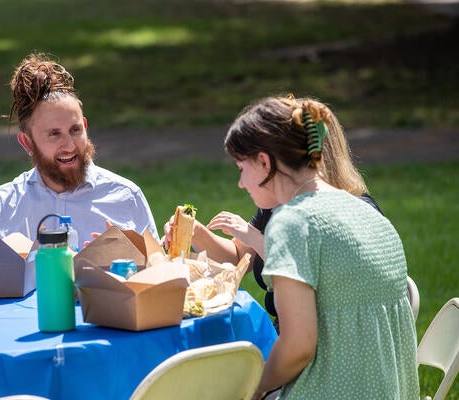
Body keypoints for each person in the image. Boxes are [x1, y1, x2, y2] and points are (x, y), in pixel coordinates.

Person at [219, 96, 418, 399]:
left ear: (264, 162)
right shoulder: (364, 212)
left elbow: (297, 347)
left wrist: (254, 388)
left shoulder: (293, 222)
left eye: (241, 169)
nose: (240, 184)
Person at [0, 52, 158, 282]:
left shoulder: (125, 196)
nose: (69, 145)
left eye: (75, 130)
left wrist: (132, 260)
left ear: (85, 125)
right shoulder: (3, 204)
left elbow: (161, 270)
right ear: (27, 142)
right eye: (54, 134)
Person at [162, 96, 383, 332]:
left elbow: (318, 289)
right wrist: (197, 233)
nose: (240, 183)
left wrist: (255, 238)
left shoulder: (352, 213)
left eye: (243, 168)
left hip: (324, 344)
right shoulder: (278, 208)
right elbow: (238, 258)